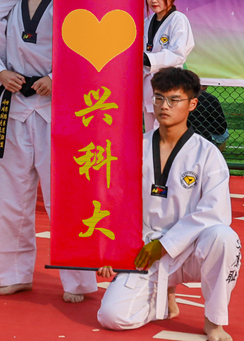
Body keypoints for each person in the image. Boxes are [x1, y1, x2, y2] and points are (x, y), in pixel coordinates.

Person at [0, 0, 98, 302]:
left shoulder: (69, 2)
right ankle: (13, 273)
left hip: (57, 108)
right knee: (11, 196)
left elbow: (87, 51)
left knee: (64, 197)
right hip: (15, 104)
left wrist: (57, 78)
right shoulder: (7, 5)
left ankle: (78, 280)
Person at [98, 68, 238, 341]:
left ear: (192, 104)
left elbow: (215, 213)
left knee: (225, 238)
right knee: (112, 317)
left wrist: (166, 245)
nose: (164, 106)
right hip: (145, 249)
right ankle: (162, 300)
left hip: (192, 251)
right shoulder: (133, 148)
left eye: (174, 100)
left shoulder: (207, 155)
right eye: (159, 98)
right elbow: (116, 203)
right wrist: (111, 249)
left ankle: (214, 321)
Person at [143, 0, 194, 131]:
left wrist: (148, 59)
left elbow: (178, 54)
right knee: (151, 132)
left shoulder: (178, 20)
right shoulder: (147, 22)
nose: (154, 1)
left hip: (169, 85)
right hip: (148, 88)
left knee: (167, 133)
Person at [188, 86, 229, 151]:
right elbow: (221, 128)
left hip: (181, 134)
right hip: (205, 136)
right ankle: (217, 154)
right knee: (225, 132)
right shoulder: (210, 98)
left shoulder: (179, 96)